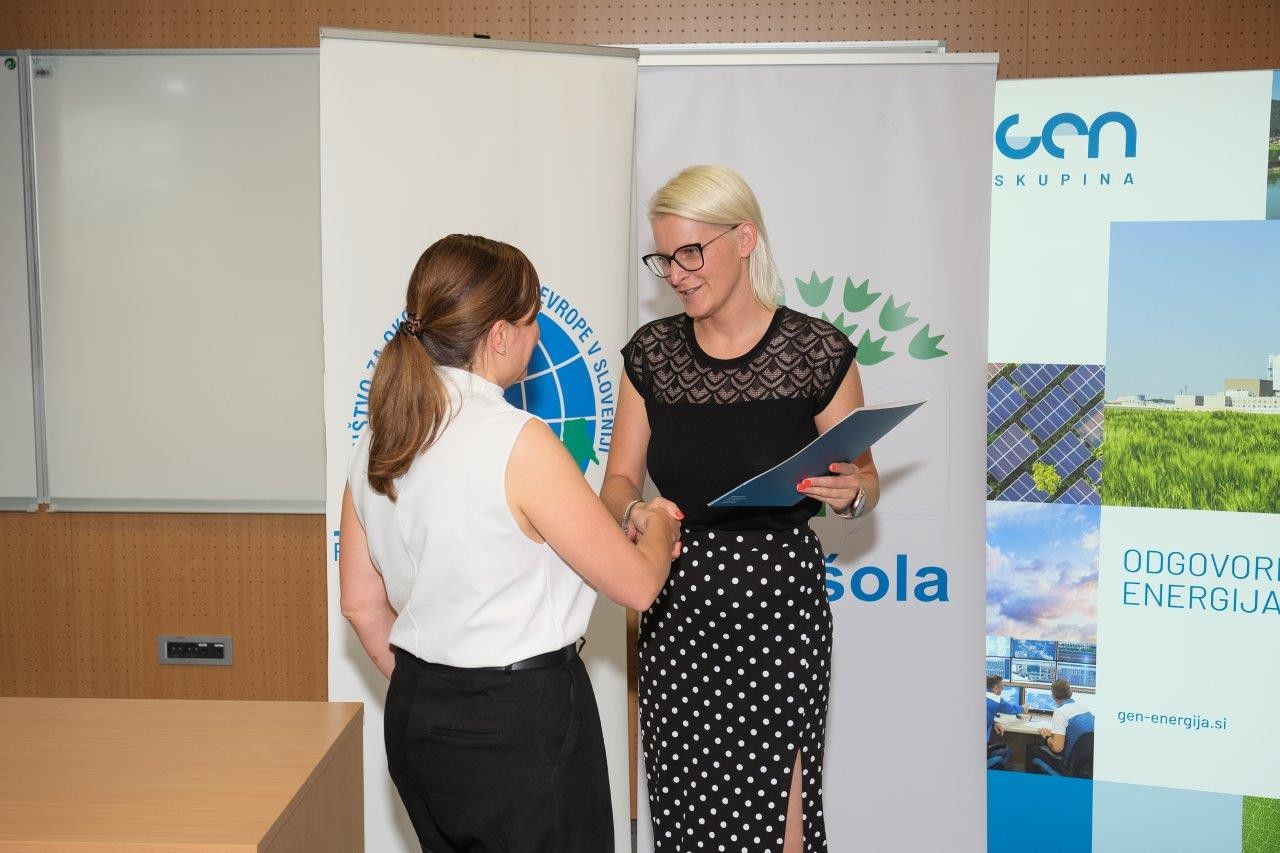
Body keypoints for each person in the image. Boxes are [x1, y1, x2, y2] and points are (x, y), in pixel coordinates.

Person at [339, 234, 682, 853]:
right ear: (499, 335)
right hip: (523, 725)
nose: (537, 335)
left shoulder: (377, 440)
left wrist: (441, 697)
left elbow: (361, 605)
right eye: (532, 320)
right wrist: (658, 523)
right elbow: (637, 584)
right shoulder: (518, 441)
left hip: (419, 713)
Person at [602, 164, 881, 852]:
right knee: (687, 815)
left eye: (691, 253)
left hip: (780, 607)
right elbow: (619, 481)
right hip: (677, 603)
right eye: (665, 258)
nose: (677, 273)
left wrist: (853, 491)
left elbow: (866, 476)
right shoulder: (651, 356)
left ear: (745, 238)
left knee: (783, 819)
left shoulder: (817, 353)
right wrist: (636, 513)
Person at [1024, 678, 1093, 775]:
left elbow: (1057, 748)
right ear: (1070, 693)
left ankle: (1031, 783)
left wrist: (1047, 736)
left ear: (1053, 696)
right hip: (1085, 766)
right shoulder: (1085, 709)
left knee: (1032, 748)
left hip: (1069, 766)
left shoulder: (1061, 712)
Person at [985, 675, 1023, 769]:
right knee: (1008, 751)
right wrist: (1025, 708)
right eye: (1002, 686)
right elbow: (1014, 709)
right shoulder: (996, 700)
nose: (1003, 689)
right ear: (996, 688)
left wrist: (994, 723)